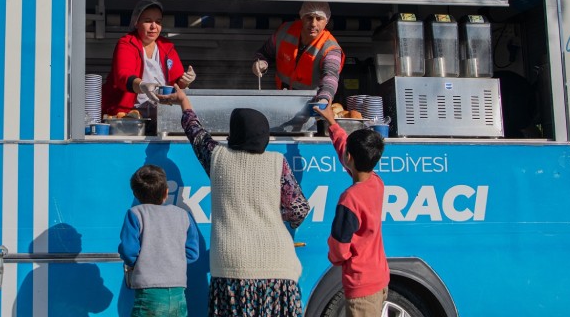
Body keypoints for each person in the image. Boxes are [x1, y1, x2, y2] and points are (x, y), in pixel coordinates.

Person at [160, 86, 311, 317]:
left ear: (235, 135)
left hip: (233, 269)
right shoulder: (277, 162)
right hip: (278, 267)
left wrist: (183, 101)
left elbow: (195, 132)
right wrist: (273, 213)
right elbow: (299, 209)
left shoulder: (218, 158)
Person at [314, 104, 390, 317]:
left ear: (349, 159)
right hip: (379, 278)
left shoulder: (350, 199)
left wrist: (336, 257)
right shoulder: (376, 182)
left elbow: (339, 248)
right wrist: (333, 124)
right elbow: (348, 157)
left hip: (361, 286)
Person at [118, 165, 200, 317]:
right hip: (178, 292)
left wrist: (143, 263)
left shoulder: (135, 214)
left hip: (148, 293)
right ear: (166, 192)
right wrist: (173, 261)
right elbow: (192, 253)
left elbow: (128, 251)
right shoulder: (183, 215)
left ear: (136, 194)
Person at [102, 0, 196, 123]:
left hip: (162, 114)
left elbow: (177, 84)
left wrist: (186, 81)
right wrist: (142, 85)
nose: (153, 27)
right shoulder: (126, 44)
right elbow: (122, 76)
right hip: (127, 115)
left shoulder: (167, 46)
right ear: (136, 22)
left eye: (158, 22)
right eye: (148, 21)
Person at [252, 1, 345, 104]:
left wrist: (324, 99)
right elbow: (265, 53)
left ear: (326, 20)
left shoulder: (331, 49)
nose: (313, 24)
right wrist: (261, 63)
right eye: (309, 18)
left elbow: (330, 77)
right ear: (302, 17)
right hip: (281, 99)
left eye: (319, 19)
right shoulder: (284, 31)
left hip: (311, 105)